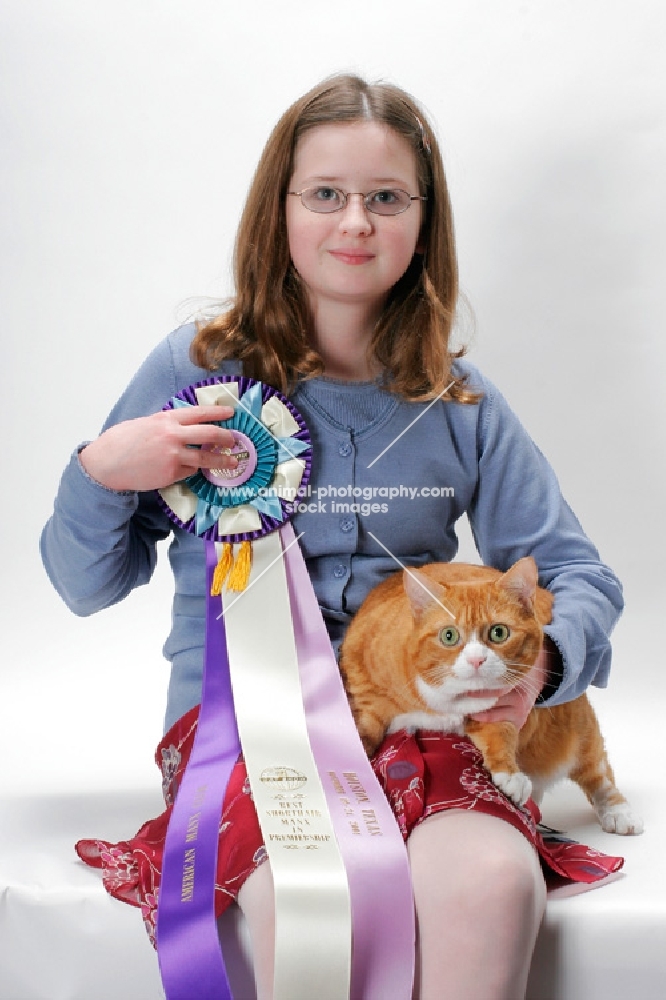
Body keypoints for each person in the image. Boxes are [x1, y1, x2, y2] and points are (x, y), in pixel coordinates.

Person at [41, 74, 623, 1000]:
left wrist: (547, 662)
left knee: (494, 886)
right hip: (240, 741)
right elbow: (84, 585)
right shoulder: (199, 372)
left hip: (417, 726)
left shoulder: (463, 402)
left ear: (422, 224)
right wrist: (102, 469)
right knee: (315, 902)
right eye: (326, 194)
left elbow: (578, 570)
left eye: (386, 198)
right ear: (280, 211)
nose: (356, 222)